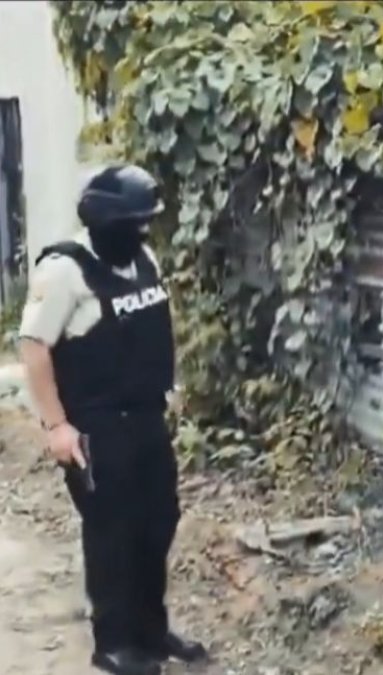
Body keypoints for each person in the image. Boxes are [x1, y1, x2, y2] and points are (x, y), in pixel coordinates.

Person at [18, 165, 207, 675]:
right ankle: (114, 642)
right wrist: (57, 426)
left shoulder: (141, 258)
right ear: (105, 220)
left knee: (158, 520)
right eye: (136, 222)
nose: (145, 232)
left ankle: (151, 628)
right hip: (96, 426)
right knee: (112, 532)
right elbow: (34, 349)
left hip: (147, 418)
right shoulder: (65, 270)